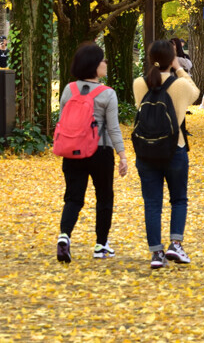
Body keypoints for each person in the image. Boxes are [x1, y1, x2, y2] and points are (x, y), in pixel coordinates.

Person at [56, 43, 128, 263]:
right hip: (100, 151)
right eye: (102, 60)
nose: (105, 63)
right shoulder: (107, 94)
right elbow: (113, 127)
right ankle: (100, 245)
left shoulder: (69, 89)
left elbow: (62, 120)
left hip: (73, 151)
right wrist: (122, 155)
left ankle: (64, 236)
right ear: (94, 66)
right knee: (104, 197)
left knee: (73, 197)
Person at [133, 40, 200, 268]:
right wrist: (178, 68)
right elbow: (196, 93)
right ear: (171, 58)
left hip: (146, 150)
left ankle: (156, 254)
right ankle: (176, 244)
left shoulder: (139, 83)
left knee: (152, 203)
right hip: (175, 148)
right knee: (178, 198)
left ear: (151, 58)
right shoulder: (179, 85)